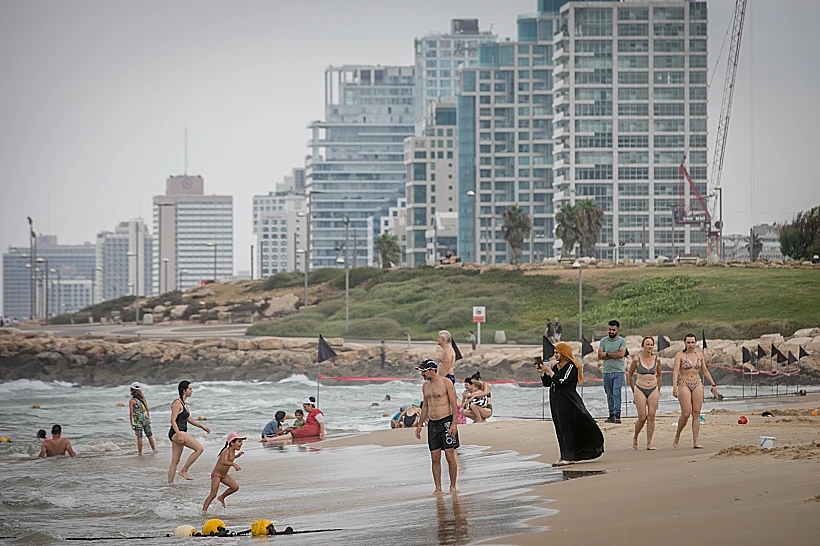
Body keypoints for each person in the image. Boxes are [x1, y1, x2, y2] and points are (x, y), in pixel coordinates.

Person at [535, 343, 604, 466]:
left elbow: (562, 381)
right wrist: (542, 373)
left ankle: (570, 456)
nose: (555, 355)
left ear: (564, 354)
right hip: (556, 401)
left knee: (568, 428)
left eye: (557, 353)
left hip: (568, 402)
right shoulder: (556, 367)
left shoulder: (571, 367)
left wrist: (549, 371)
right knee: (560, 428)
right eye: (555, 352)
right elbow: (548, 383)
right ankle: (564, 455)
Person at [414, 359, 459, 495]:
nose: (422, 374)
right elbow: (426, 406)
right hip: (432, 424)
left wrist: (454, 423)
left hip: (446, 421)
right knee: (435, 457)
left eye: (424, 371)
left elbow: (453, 404)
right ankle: (438, 488)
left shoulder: (446, 382)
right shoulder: (425, 386)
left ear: (432, 370)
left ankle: (452, 487)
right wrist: (420, 424)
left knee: (450, 456)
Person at [672, 334, 719, 449]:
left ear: (696, 342)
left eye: (692, 342)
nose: (691, 345)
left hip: (697, 383)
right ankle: (677, 435)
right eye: (688, 342)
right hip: (684, 383)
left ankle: (696, 441)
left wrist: (713, 384)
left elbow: (704, 371)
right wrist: (674, 387)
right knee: (686, 413)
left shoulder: (699, 355)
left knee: (697, 412)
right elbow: (675, 372)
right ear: (685, 343)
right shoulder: (680, 355)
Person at [168, 380, 211, 484]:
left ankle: (170, 484)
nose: (192, 391)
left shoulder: (184, 404)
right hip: (177, 432)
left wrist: (201, 426)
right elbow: (172, 420)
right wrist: (179, 435)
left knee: (175, 461)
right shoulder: (177, 403)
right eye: (190, 389)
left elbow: (189, 419)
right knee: (199, 449)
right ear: (184, 390)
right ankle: (184, 471)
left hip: (179, 433)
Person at [627, 337, 662, 450]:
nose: (649, 346)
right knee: (642, 417)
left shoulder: (657, 360)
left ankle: (649, 443)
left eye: (651, 344)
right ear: (643, 346)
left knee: (651, 416)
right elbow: (630, 375)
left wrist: (658, 389)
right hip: (640, 388)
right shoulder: (637, 359)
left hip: (653, 388)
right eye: (647, 344)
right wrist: (633, 390)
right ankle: (635, 437)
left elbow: (660, 375)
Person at [202, 432, 245, 513]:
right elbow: (224, 461)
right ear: (232, 443)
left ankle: (221, 497)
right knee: (213, 494)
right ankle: (204, 511)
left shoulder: (232, 452)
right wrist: (233, 464)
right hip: (216, 475)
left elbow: (230, 458)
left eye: (241, 442)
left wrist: (237, 456)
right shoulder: (227, 450)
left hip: (224, 475)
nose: (241, 443)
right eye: (239, 441)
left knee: (235, 487)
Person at [598, 320, 627, 423]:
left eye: (613, 330)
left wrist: (607, 354)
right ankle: (611, 415)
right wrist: (612, 354)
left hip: (618, 371)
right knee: (609, 394)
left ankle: (617, 414)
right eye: (610, 329)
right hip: (606, 372)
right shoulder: (603, 341)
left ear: (617, 330)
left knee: (616, 393)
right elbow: (600, 356)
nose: (611, 331)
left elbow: (621, 354)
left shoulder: (622, 341)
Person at [129, 382, 158, 455]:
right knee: (149, 435)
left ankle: (140, 452)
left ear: (131, 390)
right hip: (145, 419)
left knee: (139, 437)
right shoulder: (143, 398)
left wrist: (131, 423)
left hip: (138, 420)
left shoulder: (132, 401)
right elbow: (147, 409)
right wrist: (148, 418)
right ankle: (154, 449)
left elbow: (131, 413)